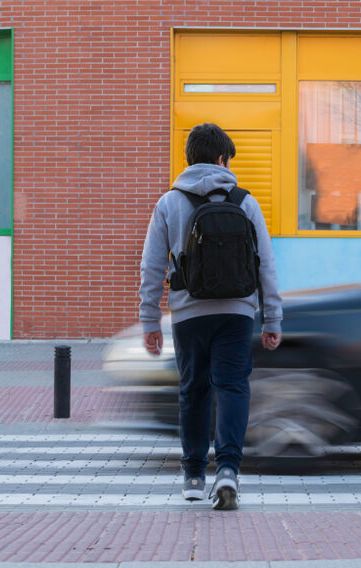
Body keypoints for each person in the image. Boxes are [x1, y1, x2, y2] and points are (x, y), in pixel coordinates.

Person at [139, 123, 282, 510]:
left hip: (188, 313)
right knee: (232, 386)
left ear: (190, 158)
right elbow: (265, 264)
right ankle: (229, 470)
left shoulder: (169, 202)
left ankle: (193, 475)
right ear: (223, 159)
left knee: (193, 389)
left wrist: (149, 319)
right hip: (237, 311)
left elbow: (152, 267)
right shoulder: (245, 202)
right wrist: (272, 319)